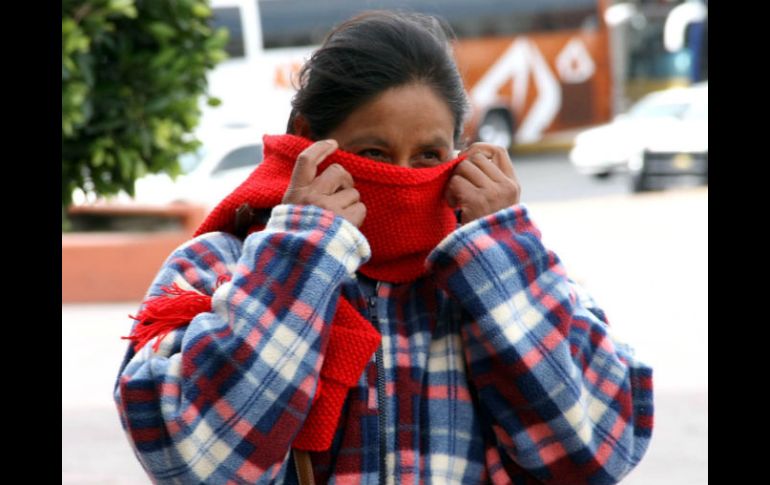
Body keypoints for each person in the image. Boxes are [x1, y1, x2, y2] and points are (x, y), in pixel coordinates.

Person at [114, 10, 653, 484]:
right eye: (373, 151)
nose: (401, 179)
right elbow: (193, 461)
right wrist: (300, 260)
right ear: (308, 137)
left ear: (459, 149)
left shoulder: (495, 274)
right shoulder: (220, 265)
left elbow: (600, 454)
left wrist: (503, 253)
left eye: (427, 155)